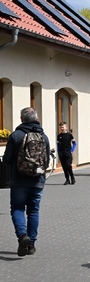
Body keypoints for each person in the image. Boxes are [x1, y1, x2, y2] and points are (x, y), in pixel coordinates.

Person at [2, 107, 50, 256]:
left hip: (19, 180)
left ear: (21, 119)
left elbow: (7, 159)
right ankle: (31, 245)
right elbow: (46, 161)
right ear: (36, 118)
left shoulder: (16, 135)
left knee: (17, 208)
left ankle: (23, 236)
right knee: (33, 211)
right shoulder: (44, 136)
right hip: (37, 180)